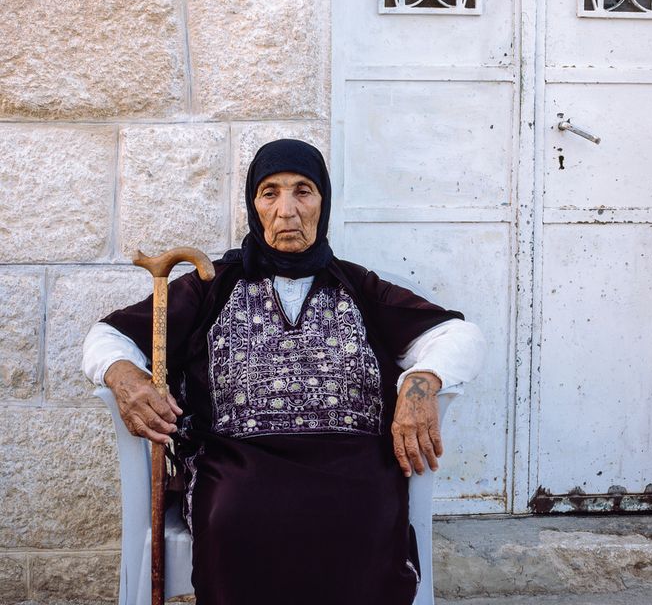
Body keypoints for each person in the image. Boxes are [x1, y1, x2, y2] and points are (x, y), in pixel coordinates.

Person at [83, 138, 485, 605]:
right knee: (239, 513)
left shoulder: (357, 285)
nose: (286, 210)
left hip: (352, 466)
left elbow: (459, 336)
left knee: (363, 514)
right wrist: (124, 376)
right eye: (270, 193)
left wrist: (421, 382)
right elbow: (107, 336)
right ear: (253, 204)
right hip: (238, 463)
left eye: (303, 191)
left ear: (323, 202)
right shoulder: (211, 286)